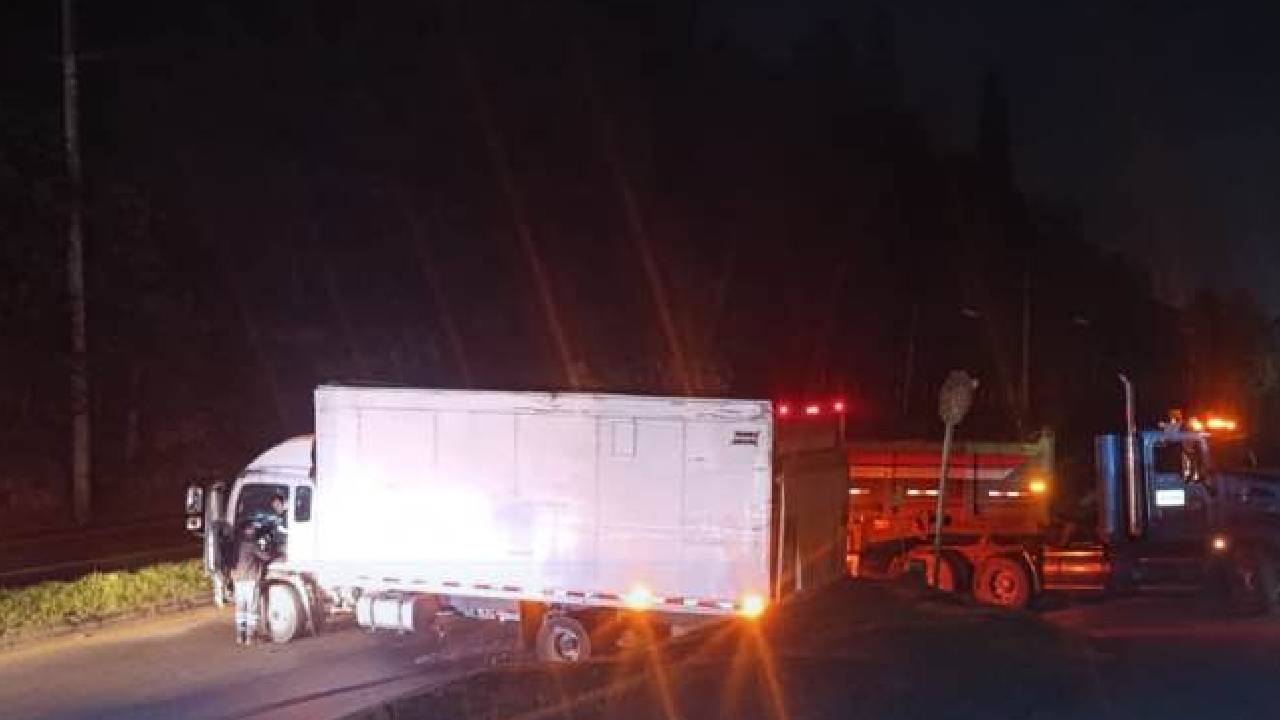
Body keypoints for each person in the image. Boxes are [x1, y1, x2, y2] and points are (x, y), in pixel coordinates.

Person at [231, 523, 271, 645]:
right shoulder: (252, 545)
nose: (254, 531)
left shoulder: (236, 545)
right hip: (250, 580)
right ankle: (250, 637)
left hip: (238, 580)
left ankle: (240, 636)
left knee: (240, 609)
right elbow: (266, 557)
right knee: (252, 610)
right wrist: (272, 551)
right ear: (246, 530)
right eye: (252, 529)